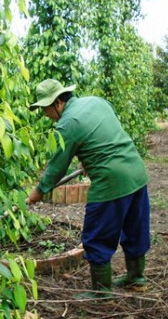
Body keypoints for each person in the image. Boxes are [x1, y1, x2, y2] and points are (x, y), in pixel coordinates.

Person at [25, 79, 151, 298]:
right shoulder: (96, 102)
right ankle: (136, 278)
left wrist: (38, 193)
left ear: (58, 103)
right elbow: (106, 134)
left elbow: (56, 167)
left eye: (45, 109)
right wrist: (89, 159)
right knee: (134, 228)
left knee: (97, 235)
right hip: (137, 173)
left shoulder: (68, 123)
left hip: (111, 182)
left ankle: (101, 293)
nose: (46, 115)